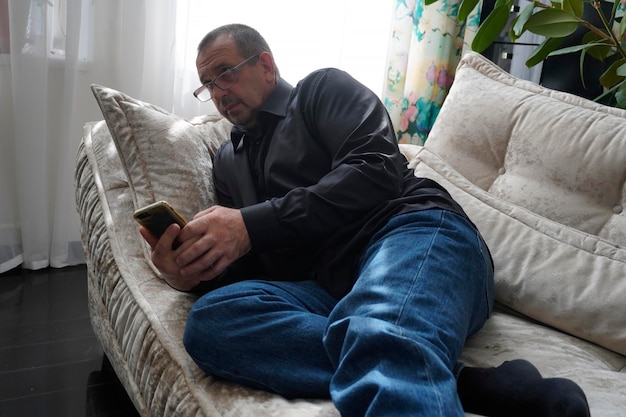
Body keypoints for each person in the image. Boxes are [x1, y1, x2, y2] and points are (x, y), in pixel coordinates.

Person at [140, 23, 590, 417]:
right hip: (331, 285)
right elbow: (255, 260)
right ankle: (463, 380)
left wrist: (250, 224)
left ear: (266, 66)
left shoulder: (321, 91)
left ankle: (399, 350)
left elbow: (377, 170)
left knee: (379, 322)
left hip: (414, 232)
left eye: (226, 73)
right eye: (207, 84)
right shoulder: (226, 161)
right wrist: (195, 270)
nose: (218, 92)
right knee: (214, 321)